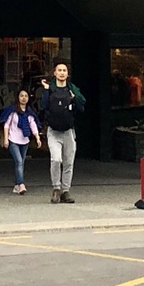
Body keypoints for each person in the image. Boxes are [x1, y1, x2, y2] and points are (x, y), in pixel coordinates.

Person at [38, 63, 85, 203]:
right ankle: (56, 188)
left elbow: (82, 105)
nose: (62, 73)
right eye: (59, 70)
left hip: (69, 131)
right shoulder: (50, 88)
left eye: (64, 70)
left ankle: (66, 191)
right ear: (55, 73)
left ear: (67, 73)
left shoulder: (72, 88)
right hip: (53, 131)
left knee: (69, 162)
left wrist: (74, 98)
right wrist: (46, 90)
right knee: (56, 159)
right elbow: (43, 105)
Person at [0, 88, 42, 196]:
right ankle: (21, 184)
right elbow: (6, 125)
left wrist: (37, 138)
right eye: (21, 96)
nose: (24, 98)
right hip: (13, 140)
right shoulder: (12, 111)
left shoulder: (29, 112)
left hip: (24, 141)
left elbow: (33, 125)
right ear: (18, 97)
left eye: (26, 96)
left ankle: (17, 185)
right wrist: (6, 139)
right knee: (19, 162)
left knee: (21, 163)